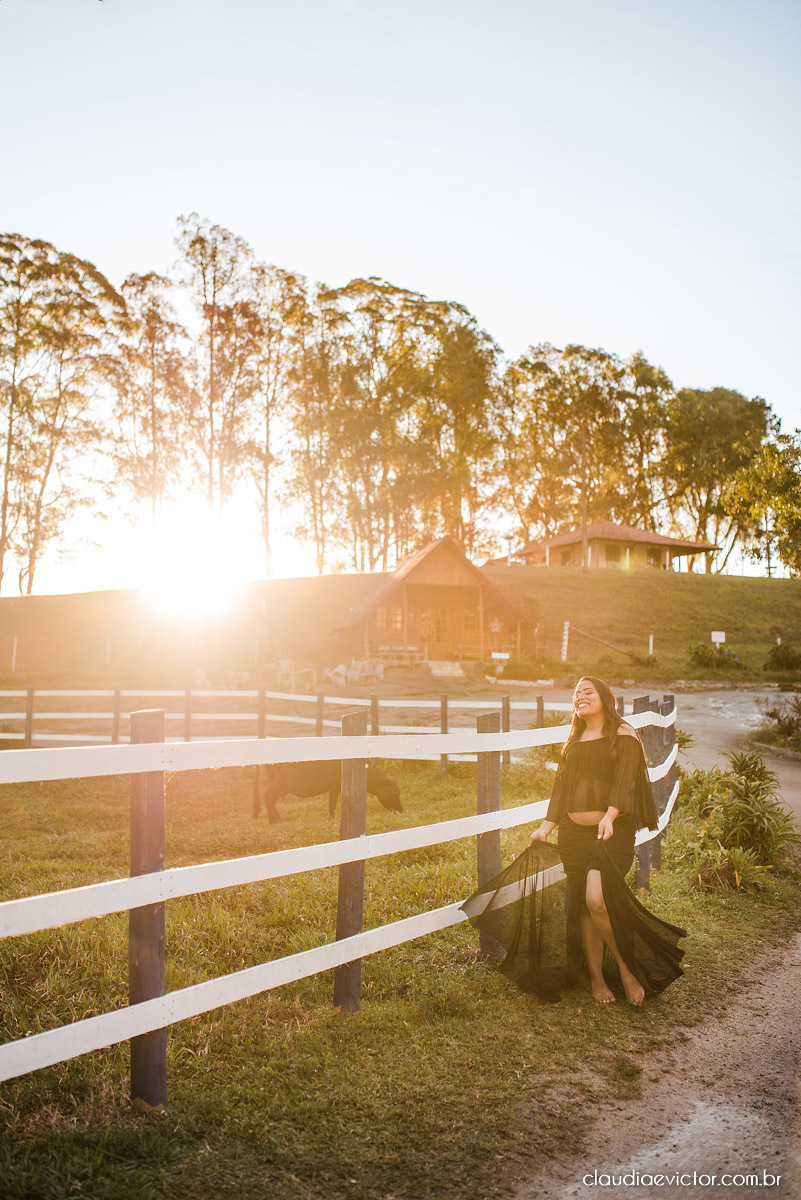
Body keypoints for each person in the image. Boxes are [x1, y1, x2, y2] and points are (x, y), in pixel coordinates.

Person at [462, 676, 685, 1004]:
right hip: (573, 835)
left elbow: (624, 782)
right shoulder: (575, 738)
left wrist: (610, 815)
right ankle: (596, 978)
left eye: (588, 691)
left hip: (611, 833)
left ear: (605, 699)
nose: (580, 697)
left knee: (597, 899)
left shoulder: (623, 734)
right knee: (583, 906)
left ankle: (625, 968)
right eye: (576, 693)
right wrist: (546, 826)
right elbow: (562, 787)